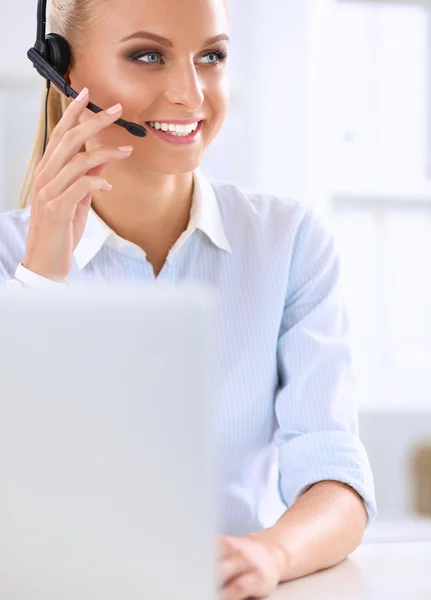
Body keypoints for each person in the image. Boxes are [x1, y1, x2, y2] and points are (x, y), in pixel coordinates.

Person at [0, 0, 377, 598]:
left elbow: (336, 475)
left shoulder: (288, 243)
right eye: (148, 56)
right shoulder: (8, 256)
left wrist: (265, 555)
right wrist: (44, 275)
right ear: (61, 71)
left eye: (212, 57)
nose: (191, 94)